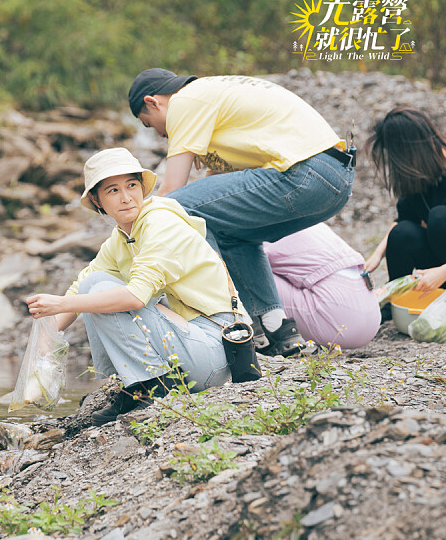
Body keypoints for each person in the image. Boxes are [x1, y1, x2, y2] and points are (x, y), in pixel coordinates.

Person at [127, 68, 355, 356]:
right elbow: (219, 195)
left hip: (306, 172)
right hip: (336, 180)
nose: (161, 135)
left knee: (173, 210)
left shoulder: (186, 100)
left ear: (153, 102)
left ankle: (229, 323)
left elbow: (172, 193)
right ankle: (276, 330)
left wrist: (134, 235)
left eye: (150, 125)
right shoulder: (213, 99)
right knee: (232, 233)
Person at [26, 148, 247, 427]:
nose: (126, 197)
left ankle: (146, 389)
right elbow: (81, 286)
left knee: (102, 292)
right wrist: (45, 344)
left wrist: (61, 305)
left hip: (213, 353)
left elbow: (134, 297)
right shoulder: (122, 238)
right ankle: (137, 385)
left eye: (132, 185)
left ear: (142, 188)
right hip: (191, 345)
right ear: (97, 200)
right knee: (93, 284)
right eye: (113, 190)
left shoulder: (159, 223)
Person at [363, 107, 446, 296]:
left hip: (442, 272)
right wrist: (376, 255)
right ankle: (396, 299)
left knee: (439, 217)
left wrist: (442, 272)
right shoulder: (420, 176)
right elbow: (402, 220)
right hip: (439, 270)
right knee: (403, 232)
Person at [263, 224, 380, 349]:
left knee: (247, 266)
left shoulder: (264, 231)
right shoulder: (314, 222)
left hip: (336, 322)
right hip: (372, 319)